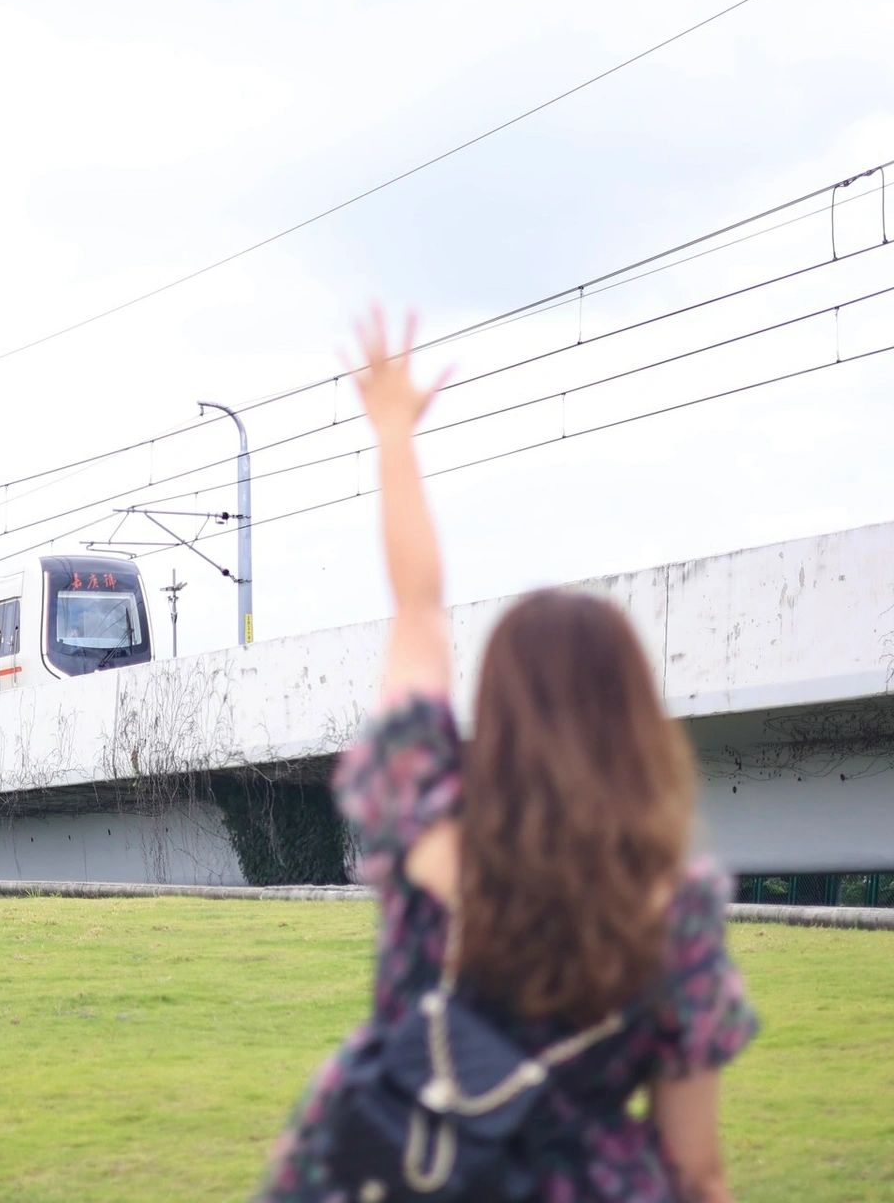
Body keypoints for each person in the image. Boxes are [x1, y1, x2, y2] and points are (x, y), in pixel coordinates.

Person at [258, 308, 757, 1203]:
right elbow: (696, 1166)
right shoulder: (673, 910)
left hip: (401, 1163)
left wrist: (394, 437)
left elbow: (418, 614)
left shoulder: (429, 824)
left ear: (500, 711)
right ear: (636, 724)